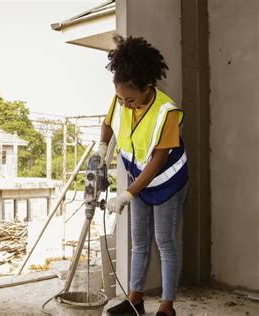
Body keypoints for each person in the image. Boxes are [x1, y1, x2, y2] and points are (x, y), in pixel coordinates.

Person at [96, 36, 188, 316]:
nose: (125, 104)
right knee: (139, 240)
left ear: (148, 88)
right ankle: (135, 300)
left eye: (130, 99)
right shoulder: (122, 99)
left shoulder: (166, 111)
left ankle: (167, 306)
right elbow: (108, 122)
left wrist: (128, 193)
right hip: (140, 182)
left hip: (167, 182)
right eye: (121, 98)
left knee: (165, 242)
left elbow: (158, 159)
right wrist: (102, 148)